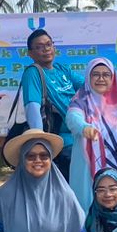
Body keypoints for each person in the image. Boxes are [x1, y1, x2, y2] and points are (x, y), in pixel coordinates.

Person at [65, 57, 117, 210]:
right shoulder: (81, 103)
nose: (101, 78)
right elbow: (72, 118)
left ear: (113, 78)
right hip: (87, 177)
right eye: (96, 74)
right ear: (88, 77)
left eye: (106, 74)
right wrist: (84, 127)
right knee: (88, 220)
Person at [20, 28, 83, 177]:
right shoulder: (32, 73)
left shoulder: (62, 69)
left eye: (48, 44)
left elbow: (90, 86)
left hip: (82, 136)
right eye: (39, 47)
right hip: (63, 144)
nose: (46, 49)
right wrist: (42, 145)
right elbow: (32, 108)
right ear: (30, 53)